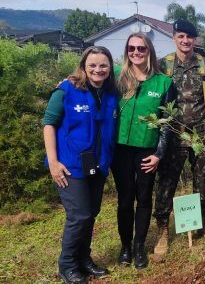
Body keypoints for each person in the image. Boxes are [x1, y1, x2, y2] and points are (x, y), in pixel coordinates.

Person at [43, 46, 118, 284]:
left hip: (97, 164)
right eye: (92, 65)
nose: (98, 69)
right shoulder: (66, 89)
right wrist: (53, 162)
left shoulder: (110, 93)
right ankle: (67, 266)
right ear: (84, 66)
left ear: (110, 68)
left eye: (103, 65)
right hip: (69, 166)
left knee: (91, 214)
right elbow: (49, 124)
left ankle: (84, 260)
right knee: (80, 215)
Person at [153, 20, 205, 256]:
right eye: (181, 36)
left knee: (202, 180)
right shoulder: (164, 65)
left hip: (201, 135)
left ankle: (201, 225)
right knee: (167, 182)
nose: (185, 41)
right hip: (173, 135)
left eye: (190, 37)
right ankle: (163, 230)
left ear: (195, 39)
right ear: (174, 37)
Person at [111, 33, 176, 269]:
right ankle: (125, 247)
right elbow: (90, 80)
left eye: (141, 49)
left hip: (147, 149)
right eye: (131, 48)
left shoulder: (164, 82)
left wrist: (159, 153)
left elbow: (168, 122)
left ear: (149, 51)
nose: (136, 53)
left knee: (144, 197)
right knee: (125, 199)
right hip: (120, 149)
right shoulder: (117, 75)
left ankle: (140, 247)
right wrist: (67, 82)